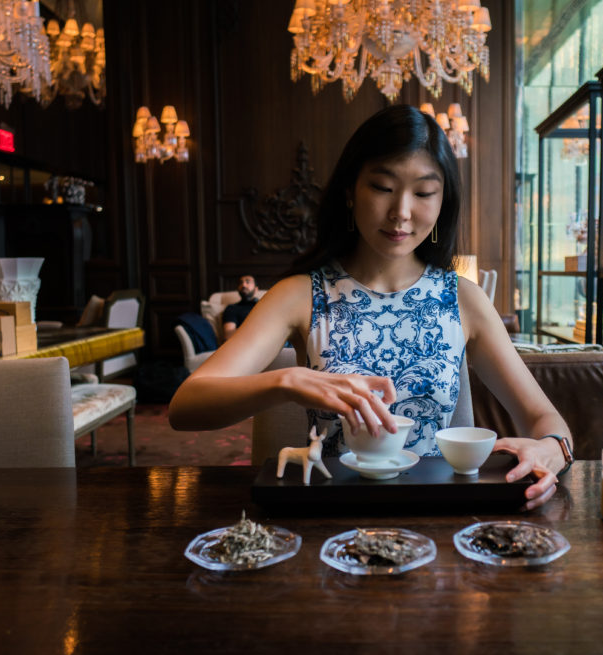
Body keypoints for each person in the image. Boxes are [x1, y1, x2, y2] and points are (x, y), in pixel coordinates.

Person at [169, 105, 574, 509]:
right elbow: (186, 406)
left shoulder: (463, 299)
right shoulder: (300, 294)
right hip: (333, 520)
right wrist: (288, 382)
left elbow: (547, 422)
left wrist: (553, 451)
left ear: (442, 200)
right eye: (382, 187)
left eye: (423, 193)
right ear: (350, 190)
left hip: (438, 517)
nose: (400, 211)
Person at [221, 275, 261, 341]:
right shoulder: (232, 308)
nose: (243, 285)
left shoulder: (264, 305)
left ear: (256, 289)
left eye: (248, 282)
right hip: (245, 343)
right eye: (241, 283)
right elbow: (228, 336)